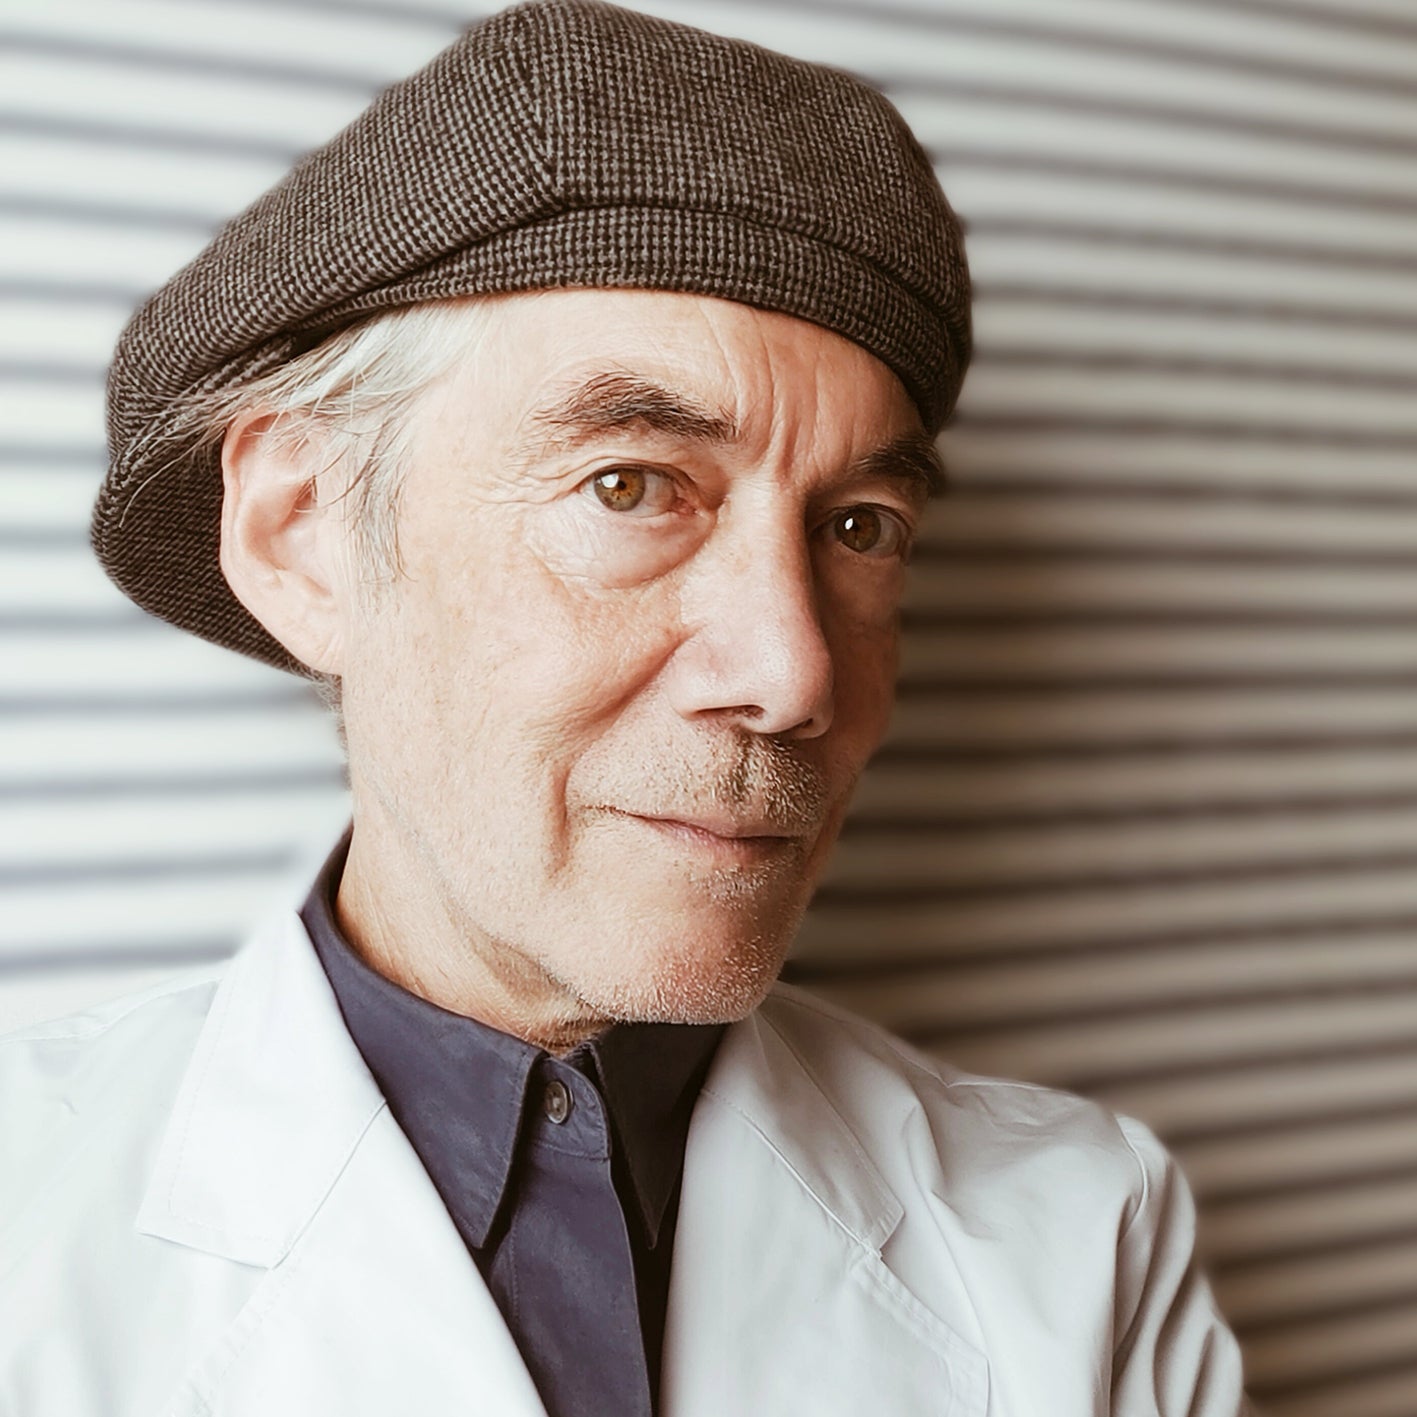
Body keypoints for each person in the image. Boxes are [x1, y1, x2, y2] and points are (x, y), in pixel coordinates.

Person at [1, 3, 1249, 1413]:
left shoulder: (1084, 1232)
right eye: (631, 486)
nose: (795, 674)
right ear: (302, 539)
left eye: (860, 526)